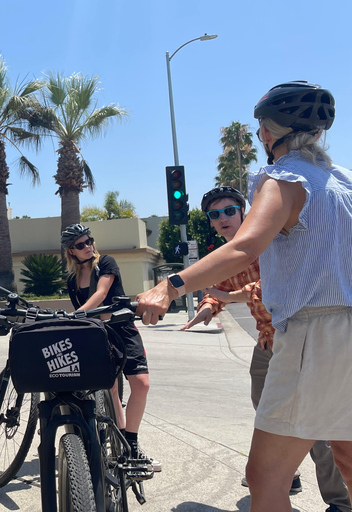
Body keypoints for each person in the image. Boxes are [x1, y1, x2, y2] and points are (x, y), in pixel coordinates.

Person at [137, 81, 352, 512]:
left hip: (315, 336)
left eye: (260, 131)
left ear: (271, 133)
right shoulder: (343, 181)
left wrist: (169, 285)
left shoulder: (283, 179)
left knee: (265, 479)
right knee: (347, 458)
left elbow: (243, 248)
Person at [183, 186, 351, 511]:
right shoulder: (229, 253)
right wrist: (208, 305)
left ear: (242, 211)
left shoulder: (267, 238)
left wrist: (229, 297)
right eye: (214, 215)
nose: (223, 219)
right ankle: (287, 477)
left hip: (300, 341)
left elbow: (274, 284)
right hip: (266, 344)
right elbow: (220, 286)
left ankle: (339, 503)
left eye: (229, 211)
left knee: (315, 429)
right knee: (269, 417)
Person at [61, 223, 161, 472]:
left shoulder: (106, 262)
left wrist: (76, 315)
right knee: (111, 387)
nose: (88, 247)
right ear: (71, 251)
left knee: (141, 383)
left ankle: (132, 440)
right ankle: (119, 438)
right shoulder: (72, 279)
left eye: (89, 241)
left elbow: (101, 294)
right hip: (99, 334)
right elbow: (84, 307)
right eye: (80, 245)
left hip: (123, 328)